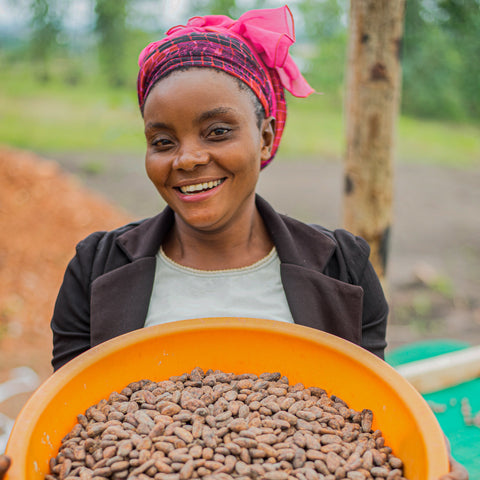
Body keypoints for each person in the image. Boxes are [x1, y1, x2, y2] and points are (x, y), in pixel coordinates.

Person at [1, 6, 468, 479]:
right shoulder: (96, 269)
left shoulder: (341, 267)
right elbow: (69, 415)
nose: (188, 158)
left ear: (265, 138)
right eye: (162, 141)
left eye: (217, 132)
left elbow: (372, 410)